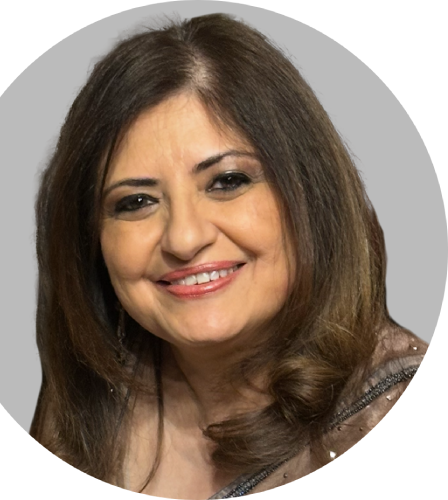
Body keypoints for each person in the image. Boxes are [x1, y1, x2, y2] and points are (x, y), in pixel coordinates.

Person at [30, 13, 429, 499]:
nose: (184, 238)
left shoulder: (384, 407)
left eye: (227, 181)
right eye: (136, 202)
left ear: (310, 196)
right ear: (91, 240)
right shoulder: (84, 404)